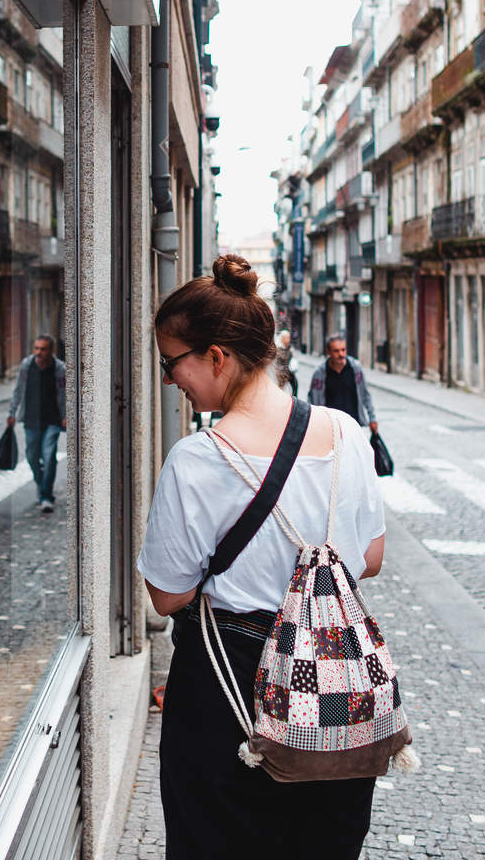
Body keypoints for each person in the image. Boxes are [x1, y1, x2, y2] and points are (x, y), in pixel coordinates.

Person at [138, 255, 386, 858]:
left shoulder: (198, 460)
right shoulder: (347, 434)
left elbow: (168, 595)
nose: (172, 381)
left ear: (217, 357)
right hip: (333, 684)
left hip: (229, 683)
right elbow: (371, 557)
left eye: (173, 363)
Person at [8, 334, 67, 512]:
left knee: (49, 457)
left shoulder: (59, 369)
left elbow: (65, 394)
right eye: (36, 348)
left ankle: (46, 496)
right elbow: (18, 390)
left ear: (51, 351)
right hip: (31, 419)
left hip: (52, 420)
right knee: (32, 457)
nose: (38, 353)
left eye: (43, 349)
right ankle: (43, 487)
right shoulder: (27, 366)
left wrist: (66, 415)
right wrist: (12, 413)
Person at [306, 333, 378, 436]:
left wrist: (372, 418)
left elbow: (365, 394)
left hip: (354, 424)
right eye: (336, 351)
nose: (341, 354)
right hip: (331, 428)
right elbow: (312, 400)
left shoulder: (355, 368)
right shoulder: (320, 373)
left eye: (343, 350)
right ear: (328, 352)